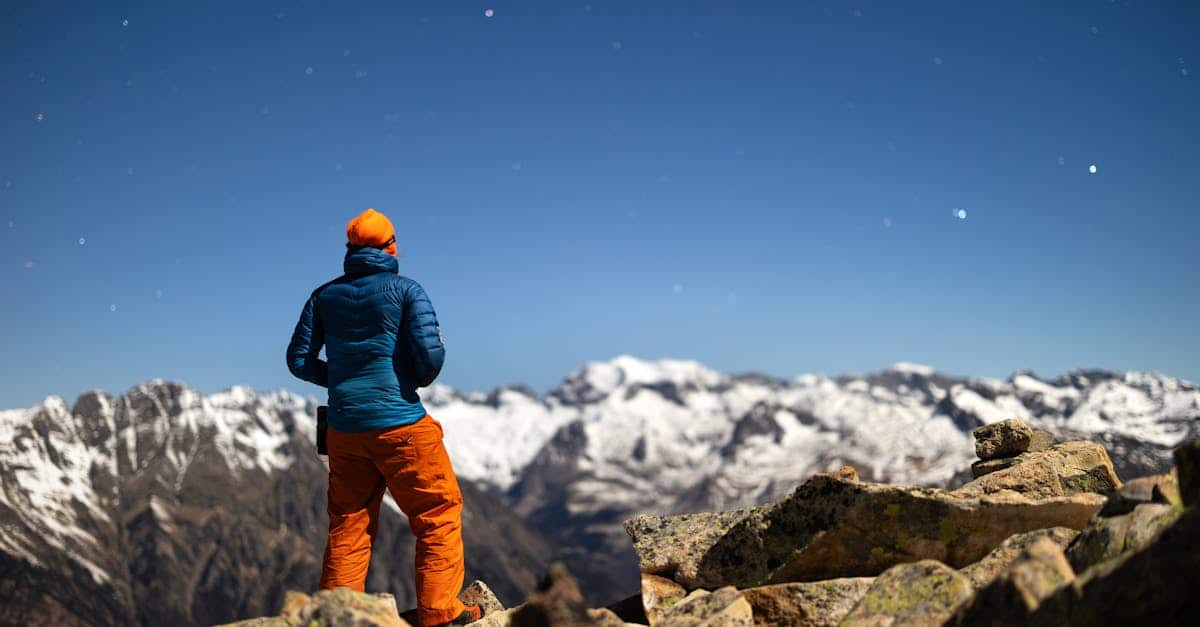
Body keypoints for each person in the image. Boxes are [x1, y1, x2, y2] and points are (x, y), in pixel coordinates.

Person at [286, 208, 480, 626]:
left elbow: (299, 361)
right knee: (437, 513)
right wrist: (403, 380)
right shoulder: (407, 291)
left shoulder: (323, 296)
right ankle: (441, 613)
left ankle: (334, 617)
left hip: (344, 431)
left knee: (349, 526)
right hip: (402, 426)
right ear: (391, 247)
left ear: (349, 250)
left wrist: (340, 380)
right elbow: (430, 359)